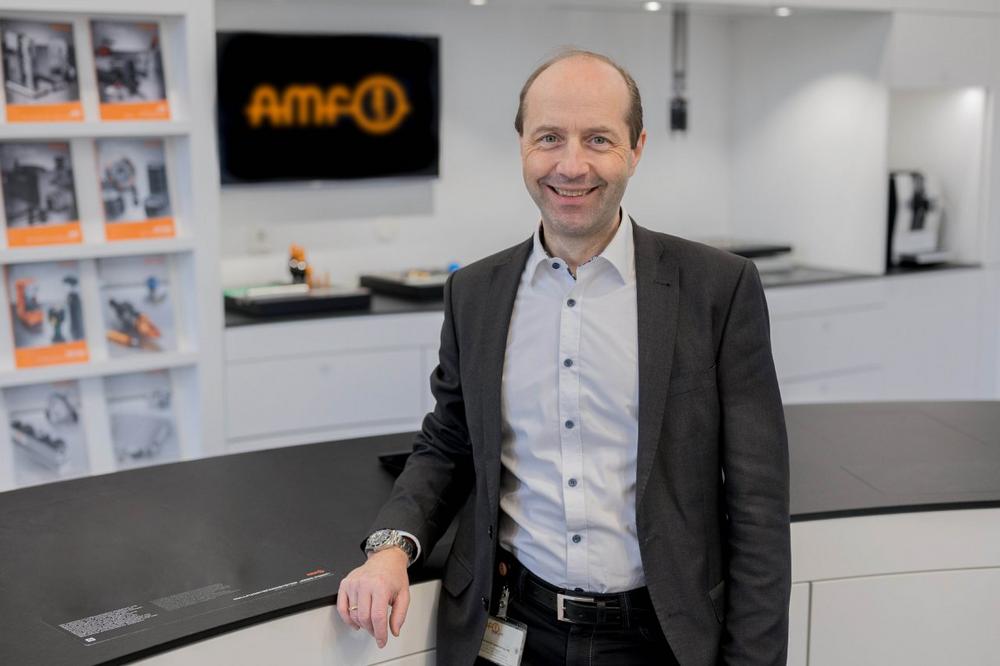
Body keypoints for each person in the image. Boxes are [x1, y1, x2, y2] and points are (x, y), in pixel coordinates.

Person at [337, 49, 791, 665]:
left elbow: (758, 504)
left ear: (636, 149)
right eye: (549, 137)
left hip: (662, 638)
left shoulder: (718, 289)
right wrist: (391, 547)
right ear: (522, 145)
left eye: (598, 139)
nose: (571, 166)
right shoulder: (474, 292)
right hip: (510, 626)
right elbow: (449, 442)